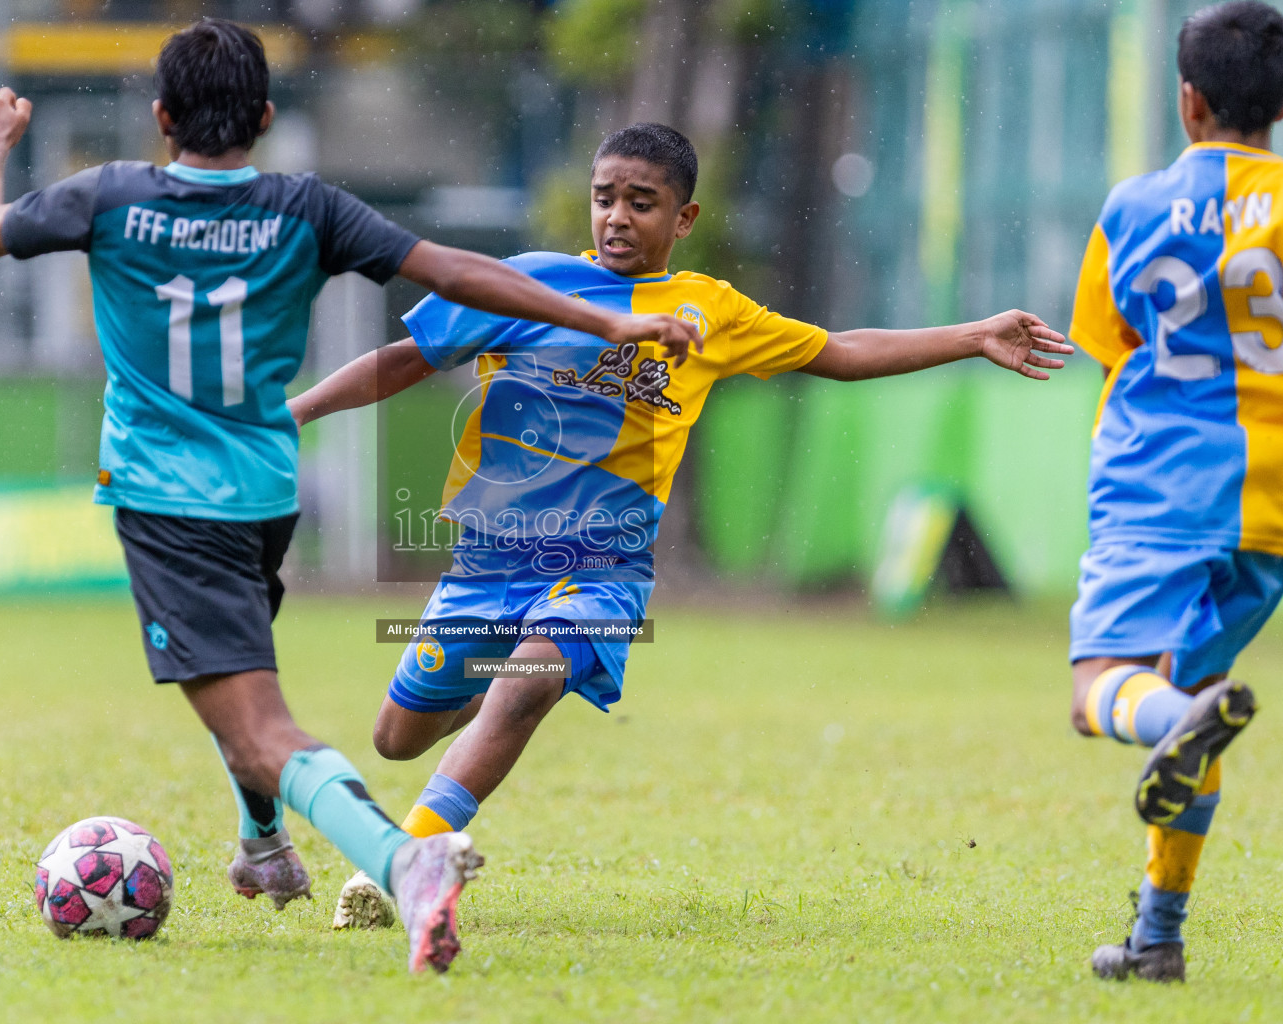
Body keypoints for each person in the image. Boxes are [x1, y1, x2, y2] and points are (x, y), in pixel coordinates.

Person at [0, 19, 700, 974]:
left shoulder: (112, 195)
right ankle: (262, 843)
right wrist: (603, 315)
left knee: (256, 720)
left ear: (160, 117)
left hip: (166, 497)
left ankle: (404, 862)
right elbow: (463, 272)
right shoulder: (307, 207)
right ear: (264, 117)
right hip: (264, 490)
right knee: (237, 688)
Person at [286, 122, 1072, 930]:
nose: (617, 217)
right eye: (604, 199)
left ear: (684, 218)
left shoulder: (709, 310)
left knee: (528, 686)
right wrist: (297, 411)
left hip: (601, 569)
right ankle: (466, 719)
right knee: (397, 736)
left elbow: (839, 349)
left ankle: (403, 862)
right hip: (488, 567)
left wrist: (972, 336)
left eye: (641, 201)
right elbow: (405, 357)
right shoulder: (526, 285)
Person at [1065, 0, 1283, 984]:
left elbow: (1104, 342)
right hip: (1272, 509)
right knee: (1188, 690)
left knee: (1103, 692)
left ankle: (1181, 725)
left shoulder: (1135, 205)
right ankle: (1158, 935)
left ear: (1189, 101)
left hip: (1163, 489)